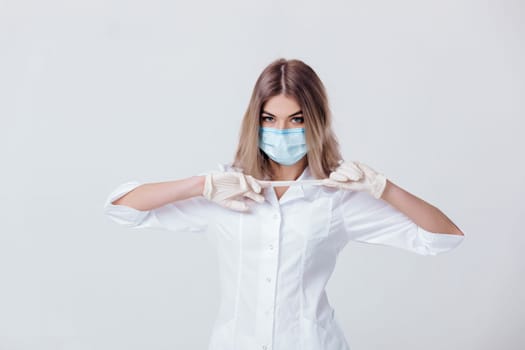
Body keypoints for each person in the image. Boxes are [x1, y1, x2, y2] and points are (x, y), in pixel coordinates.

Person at [103, 58, 465, 350]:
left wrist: (383, 187)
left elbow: (443, 237)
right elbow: (122, 207)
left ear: (315, 122)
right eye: (269, 119)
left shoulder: (337, 197)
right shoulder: (224, 192)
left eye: (296, 119)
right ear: (255, 121)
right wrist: (201, 185)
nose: (282, 130)